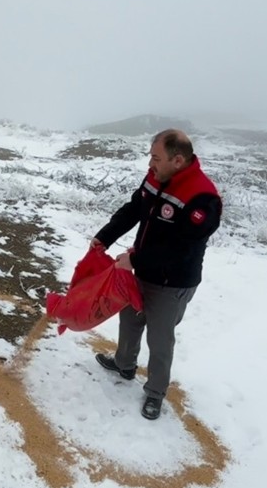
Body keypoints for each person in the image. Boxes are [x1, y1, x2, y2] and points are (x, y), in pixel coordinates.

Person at [90, 129, 222, 420]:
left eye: (156, 157)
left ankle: (155, 392)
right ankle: (124, 364)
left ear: (177, 160)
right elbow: (135, 208)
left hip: (173, 282)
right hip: (142, 271)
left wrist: (133, 258)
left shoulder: (203, 198)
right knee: (130, 318)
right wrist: (105, 237)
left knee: (160, 339)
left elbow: (181, 249)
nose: (150, 164)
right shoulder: (156, 177)